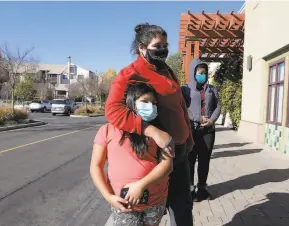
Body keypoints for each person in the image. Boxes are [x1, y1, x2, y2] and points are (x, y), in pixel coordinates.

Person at [105, 23, 194, 226]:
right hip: (157, 153)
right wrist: (152, 131)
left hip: (179, 150)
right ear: (142, 48)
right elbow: (113, 110)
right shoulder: (131, 72)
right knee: (153, 209)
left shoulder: (166, 70)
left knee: (183, 206)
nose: (163, 50)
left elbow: (179, 105)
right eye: (157, 46)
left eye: (165, 45)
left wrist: (188, 137)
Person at [90, 82, 173, 226]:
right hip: (124, 204)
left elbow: (167, 165)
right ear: (131, 103)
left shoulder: (159, 133)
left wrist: (140, 185)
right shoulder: (108, 130)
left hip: (155, 201)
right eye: (144, 101)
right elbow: (96, 166)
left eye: (153, 103)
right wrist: (108, 196)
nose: (150, 106)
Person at [181, 59, 221, 202]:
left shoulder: (212, 89)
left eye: (205, 73)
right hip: (191, 130)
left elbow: (218, 106)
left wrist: (211, 120)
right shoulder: (185, 89)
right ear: (193, 73)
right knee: (190, 160)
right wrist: (198, 118)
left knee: (204, 160)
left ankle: (202, 188)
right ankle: (190, 189)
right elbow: (182, 108)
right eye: (200, 73)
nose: (203, 75)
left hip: (208, 131)